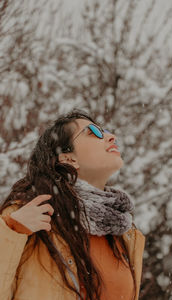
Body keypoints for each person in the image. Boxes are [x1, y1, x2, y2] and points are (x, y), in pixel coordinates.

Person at [0, 110, 145, 300]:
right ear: (68, 158)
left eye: (107, 131)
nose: (111, 137)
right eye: (94, 132)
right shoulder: (29, 217)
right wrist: (12, 231)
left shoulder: (125, 234)